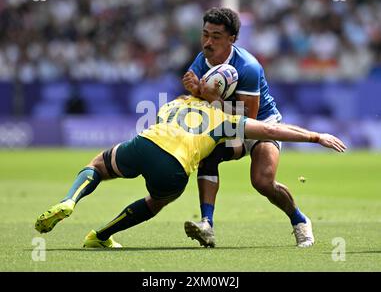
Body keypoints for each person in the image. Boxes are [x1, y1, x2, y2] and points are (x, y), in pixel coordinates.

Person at [34, 92, 346, 248]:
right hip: (175, 167)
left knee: (98, 165)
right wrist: (313, 136)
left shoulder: (175, 102)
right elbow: (270, 130)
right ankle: (101, 236)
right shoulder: (225, 119)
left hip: (144, 143)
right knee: (156, 202)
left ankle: (71, 199)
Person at [182, 7, 317, 248]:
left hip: (263, 123)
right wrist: (194, 90)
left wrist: (210, 97)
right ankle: (207, 225)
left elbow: (248, 120)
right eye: (205, 34)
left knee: (262, 181)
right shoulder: (202, 58)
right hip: (226, 120)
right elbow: (200, 97)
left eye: (216, 37)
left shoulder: (248, 67)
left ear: (232, 39)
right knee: (207, 157)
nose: (208, 42)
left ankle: (300, 221)